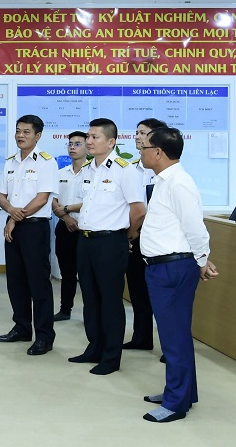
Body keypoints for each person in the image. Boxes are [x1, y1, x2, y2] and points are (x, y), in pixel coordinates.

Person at [137, 126, 218, 423]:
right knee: (174, 334)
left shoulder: (179, 183)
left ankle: (175, 403)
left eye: (144, 147)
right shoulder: (164, 181)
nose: (140, 151)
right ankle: (183, 392)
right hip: (163, 266)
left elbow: (195, 227)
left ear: (158, 152)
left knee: (174, 337)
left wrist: (202, 260)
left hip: (172, 268)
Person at [68, 118, 145, 375]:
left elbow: (138, 210)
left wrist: (127, 236)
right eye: (88, 136)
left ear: (111, 142)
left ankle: (111, 357)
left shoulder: (124, 170)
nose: (89, 141)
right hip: (85, 240)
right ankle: (95, 348)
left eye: (95, 137)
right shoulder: (88, 169)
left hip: (111, 242)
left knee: (110, 301)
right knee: (90, 299)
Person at [0, 115, 58, 356]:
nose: (20, 136)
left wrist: (14, 218)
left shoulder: (46, 162)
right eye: (18, 131)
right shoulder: (10, 162)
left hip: (34, 227)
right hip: (14, 226)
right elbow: (1, 196)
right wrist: (11, 212)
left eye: (26, 132)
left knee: (38, 283)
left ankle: (44, 336)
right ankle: (21, 327)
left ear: (38, 136)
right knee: (16, 280)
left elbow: (42, 199)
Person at [124, 117, 167, 352]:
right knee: (137, 288)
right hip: (134, 237)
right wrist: (131, 233)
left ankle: (169, 347)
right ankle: (141, 337)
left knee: (161, 295)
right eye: (137, 132)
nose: (138, 137)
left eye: (143, 133)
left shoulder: (165, 170)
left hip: (157, 238)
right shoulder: (130, 168)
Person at [50, 131, 88, 321]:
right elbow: (52, 199)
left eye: (77, 144)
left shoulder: (93, 173)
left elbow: (93, 201)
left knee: (87, 274)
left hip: (85, 230)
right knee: (67, 271)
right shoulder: (61, 173)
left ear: (88, 147)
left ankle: (91, 313)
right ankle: (65, 309)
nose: (72, 147)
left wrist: (68, 209)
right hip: (65, 227)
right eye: (70, 144)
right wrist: (66, 217)